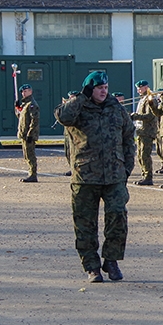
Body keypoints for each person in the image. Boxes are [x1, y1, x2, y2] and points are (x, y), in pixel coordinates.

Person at [55, 71, 135, 283]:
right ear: (90, 89)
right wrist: (81, 97)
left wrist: (127, 167)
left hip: (115, 175)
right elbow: (63, 117)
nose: (104, 91)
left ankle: (111, 259)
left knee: (118, 217)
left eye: (106, 87)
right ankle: (91, 266)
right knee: (85, 223)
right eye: (99, 88)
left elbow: (128, 136)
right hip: (85, 176)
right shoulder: (77, 108)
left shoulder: (115, 108)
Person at [130, 79, 158, 186]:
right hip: (141, 131)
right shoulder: (143, 99)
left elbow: (150, 115)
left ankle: (148, 176)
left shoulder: (150, 99)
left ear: (146, 87)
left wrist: (135, 116)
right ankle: (144, 175)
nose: (138, 91)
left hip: (148, 131)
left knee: (145, 155)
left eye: (140, 88)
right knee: (140, 155)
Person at [16, 83, 39, 182]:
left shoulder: (32, 105)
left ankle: (33, 174)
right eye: (22, 92)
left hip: (29, 134)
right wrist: (17, 108)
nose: (23, 93)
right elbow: (21, 118)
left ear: (30, 91)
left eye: (25, 91)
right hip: (24, 133)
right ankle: (30, 172)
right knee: (26, 155)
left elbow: (34, 120)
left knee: (30, 155)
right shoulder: (25, 105)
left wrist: (30, 134)